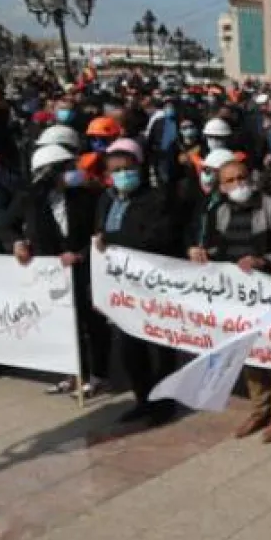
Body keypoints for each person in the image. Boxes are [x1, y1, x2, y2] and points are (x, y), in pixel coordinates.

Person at [191, 159, 271, 443]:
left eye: (242, 176)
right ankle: (258, 409)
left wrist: (264, 260)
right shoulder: (220, 211)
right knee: (249, 352)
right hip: (236, 296)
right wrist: (201, 253)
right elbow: (218, 247)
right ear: (221, 186)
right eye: (230, 180)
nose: (238, 183)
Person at [4, 144, 108, 398]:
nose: (73, 173)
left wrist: (81, 254)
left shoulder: (85, 196)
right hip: (50, 274)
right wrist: (16, 242)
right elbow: (6, 225)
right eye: (67, 169)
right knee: (62, 323)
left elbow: (99, 231)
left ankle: (98, 374)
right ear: (49, 173)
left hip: (84, 269)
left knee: (91, 323)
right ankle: (72, 373)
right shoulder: (29, 199)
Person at [92, 139, 180, 425]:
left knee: (160, 347)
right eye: (116, 170)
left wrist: (112, 241)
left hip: (152, 283)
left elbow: (158, 238)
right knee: (129, 348)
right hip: (121, 286)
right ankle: (143, 399)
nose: (122, 175)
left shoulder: (156, 199)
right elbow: (98, 237)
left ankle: (164, 404)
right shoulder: (106, 200)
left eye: (127, 169)